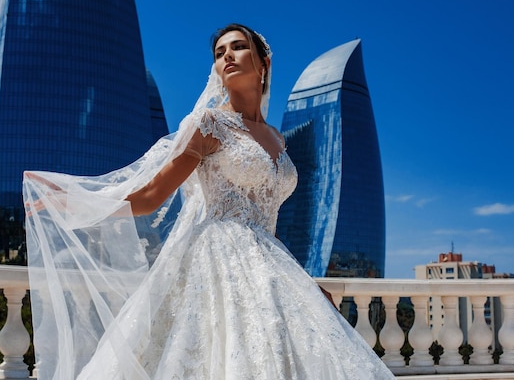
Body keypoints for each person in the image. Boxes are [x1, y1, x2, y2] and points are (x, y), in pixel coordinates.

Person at [23, 23, 395, 380]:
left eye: (238, 47)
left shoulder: (278, 140)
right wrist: (78, 202)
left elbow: (268, 224)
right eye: (220, 53)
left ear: (264, 63)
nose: (227, 56)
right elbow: (152, 195)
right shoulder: (210, 125)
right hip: (216, 258)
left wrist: (305, 282)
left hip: (269, 262)